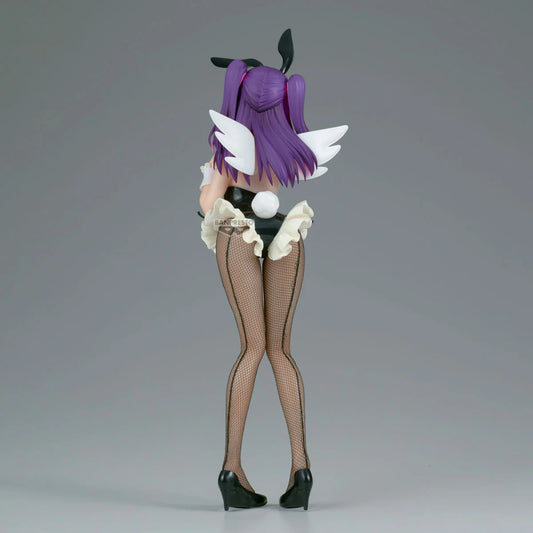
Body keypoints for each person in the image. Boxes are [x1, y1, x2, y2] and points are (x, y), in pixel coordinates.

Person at [197, 29, 347, 510]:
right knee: (280, 349)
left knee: (251, 348)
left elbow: (208, 204)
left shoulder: (229, 150)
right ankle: (301, 468)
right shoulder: (288, 150)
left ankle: (230, 469)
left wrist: (210, 189)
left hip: (237, 229)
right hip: (285, 230)